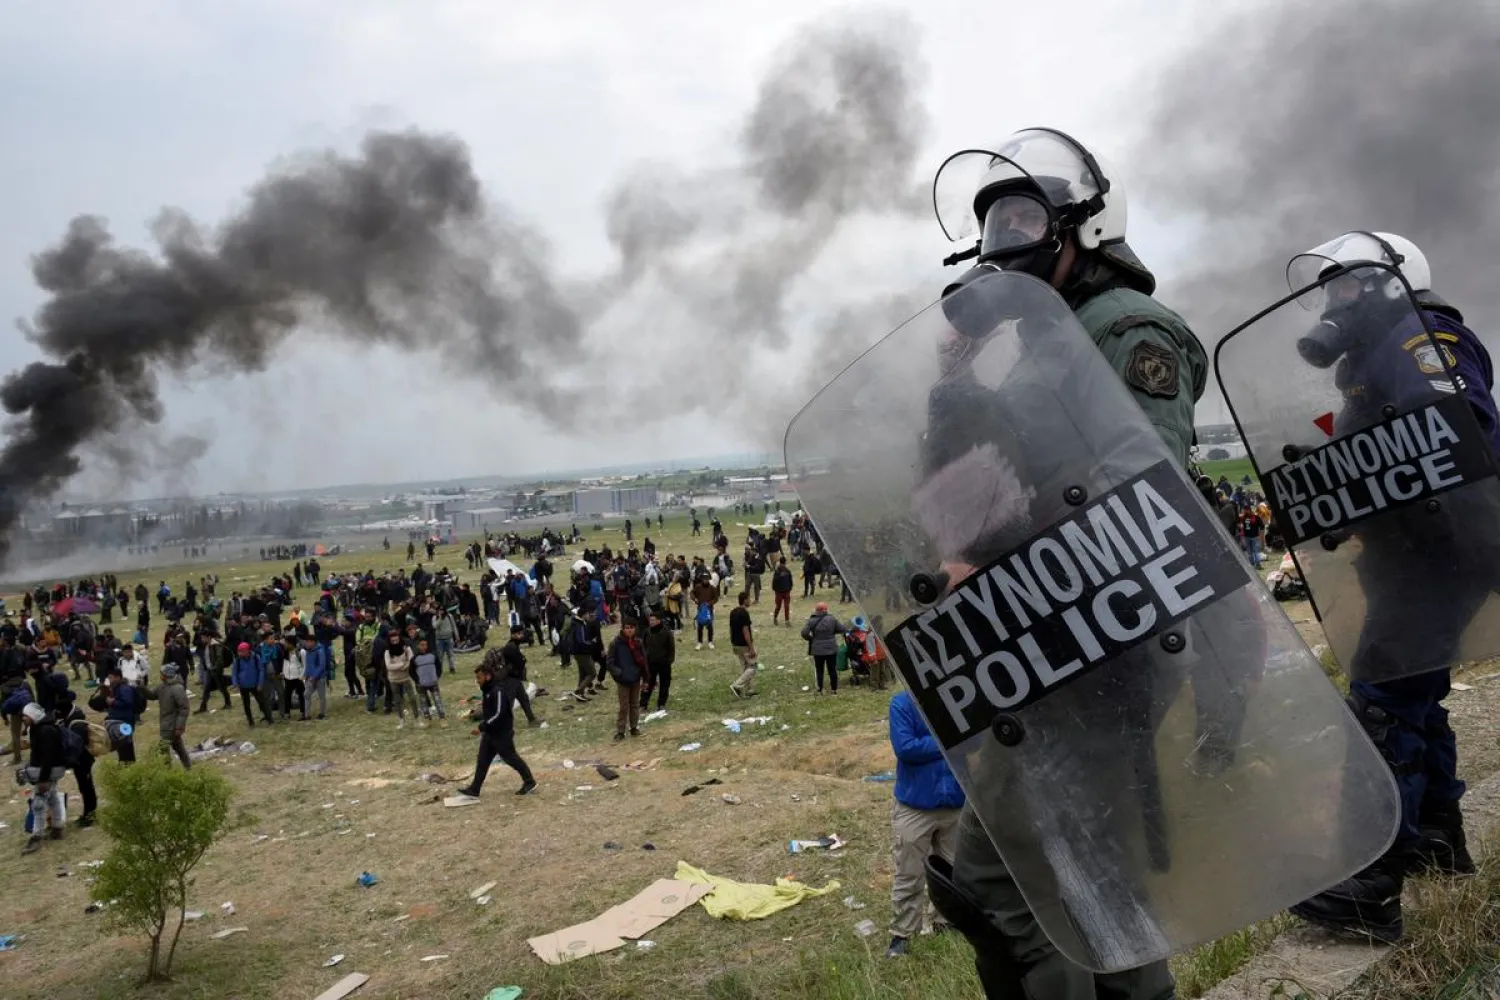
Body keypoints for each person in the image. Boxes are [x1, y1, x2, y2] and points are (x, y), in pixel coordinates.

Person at [922, 128, 1204, 998]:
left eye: (1021, 216)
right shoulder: (1051, 343)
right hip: (1066, 639)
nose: (1003, 240)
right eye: (994, 222)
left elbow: (1145, 499)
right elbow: (1004, 493)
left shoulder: (1121, 327)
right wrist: (956, 393)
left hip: (1091, 645)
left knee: (1007, 875)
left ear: (1084, 227)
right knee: (1093, 873)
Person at [1273, 232, 1497, 942]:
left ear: (1393, 283)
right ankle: (1436, 836)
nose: (1334, 303)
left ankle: (1366, 884)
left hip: (1442, 555)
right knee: (1413, 692)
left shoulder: (1418, 339)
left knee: (1380, 699)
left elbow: (1463, 437)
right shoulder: (1373, 362)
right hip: (1416, 559)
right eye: (1328, 290)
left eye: (1347, 287)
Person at [886, 690, 965, 958]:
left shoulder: (958, 697)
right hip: (915, 806)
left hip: (955, 802)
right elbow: (905, 748)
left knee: (953, 870)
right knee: (909, 872)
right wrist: (948, 742)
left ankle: (945, 921)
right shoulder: (902, 703)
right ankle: (902, 934)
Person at [454, 660, 536, 798]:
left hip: (502, 733)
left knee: (511, 758)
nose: (477, 681)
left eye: (479, 678)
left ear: (487, 676)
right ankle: (475, 789)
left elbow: (499, 713)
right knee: (482, 760)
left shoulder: (497, 691)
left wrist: (483, 726)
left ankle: (530, 782)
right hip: (490, 733)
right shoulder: (487, 691)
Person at [18, 703, 65, 854]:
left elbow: (48, 758)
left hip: (47, 771)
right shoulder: (41, 728)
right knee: (52, 797)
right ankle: (57, 827)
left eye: (25, 716)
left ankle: (36, 836)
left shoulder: (45, 731)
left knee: (38, 803)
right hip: (50, 769)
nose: (23, 719)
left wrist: (44, 779)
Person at [606, 621, 647, 741]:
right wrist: (619, 673)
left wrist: (645, 678)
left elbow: (643, 662)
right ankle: (620, 731)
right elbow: (609, 663)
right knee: (624, 706)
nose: (629, 630)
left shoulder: (638, 643)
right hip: (623, 680)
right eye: (627, 628)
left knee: (634, 704)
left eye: (632, 628)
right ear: (623, 629)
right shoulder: (616, 643)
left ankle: (634, 727)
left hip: (635, 678)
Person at [147, 663, 192, 768]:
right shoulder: (162, 686)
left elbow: (184, 709)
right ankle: (187, 767)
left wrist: (179, 726)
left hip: (172, 725)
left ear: (166, 675)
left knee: (164, 748)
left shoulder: (177, 688)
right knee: (178, 747)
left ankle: (168, 770)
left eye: (161, 673)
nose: (160, 675)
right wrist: (140, 688)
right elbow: (152, 695)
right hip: (165, 723)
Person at [800, 601, 846, 695]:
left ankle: (820, 689)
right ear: (825, 609)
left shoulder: (812, 620)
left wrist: (810, 639)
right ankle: (834, 689)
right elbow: (842, 629)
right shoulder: (832, 619)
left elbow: (804, 633)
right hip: (831, 648)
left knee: (819, 670)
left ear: (817, 610)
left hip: (818, 650)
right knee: (832, 670)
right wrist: (832, 633)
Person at [231, 642, 275, 728]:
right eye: (239, 651)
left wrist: (260, 683)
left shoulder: (255, 658)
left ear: (247, 650)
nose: (240, 653)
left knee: (262, 703)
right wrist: (235, 684)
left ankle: (269, 718)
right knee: (246, 705)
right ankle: (251, 722)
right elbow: (234, 673)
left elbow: (261, 671)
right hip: (243, 686)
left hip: (255, 685)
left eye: (241, 651)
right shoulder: (238, 660)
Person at [641, 610, 675, 710]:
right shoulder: (647, 632)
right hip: (650, 663)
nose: (651, 622)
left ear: (659, 621)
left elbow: (671, 648)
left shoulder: (666, 632)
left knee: (665, 683)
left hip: (664, 663)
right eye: (650, 620)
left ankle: (661, 704)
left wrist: (669, 660)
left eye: (653, 620)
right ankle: (643, 704)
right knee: (648, 683)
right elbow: (643, 646)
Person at [727, 592, 758, 699]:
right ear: (744, 600)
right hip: (744, 644)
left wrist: (732, 642)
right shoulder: (744, 613)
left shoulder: (733, 612)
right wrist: (751, 647)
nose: (750, 601)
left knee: (745, 667)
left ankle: (748, 690)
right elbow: (746, 631)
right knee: (753, 667)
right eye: (749, 599)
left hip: (736, 644)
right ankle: (737, 685)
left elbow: (731, 629)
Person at [384, 632, 418, 728]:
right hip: (393, 679)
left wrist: (404, 665)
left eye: (396, 640)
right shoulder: (387, 651)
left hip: (406, 677)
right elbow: (388, 666)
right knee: (398, 701)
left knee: (412, 698)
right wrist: (402, 664)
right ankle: (401, 720)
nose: (395, 642)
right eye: (392, 641)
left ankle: (417, 718)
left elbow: (411, 660)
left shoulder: (406, 648)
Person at [770, 558, 794, 625]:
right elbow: (775, 581)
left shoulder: (786, 571)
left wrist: (790, 588)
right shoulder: (778, 571)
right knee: (778, 606)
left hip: (785, 591)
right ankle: (775, 618)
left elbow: (790, 580)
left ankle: (787, 620)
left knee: (786, 606)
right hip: (779, 591)